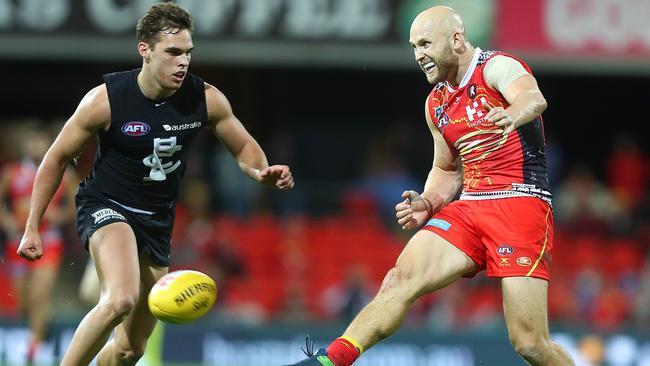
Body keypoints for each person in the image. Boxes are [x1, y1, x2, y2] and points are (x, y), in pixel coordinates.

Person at [288, 6, 574, 366]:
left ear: (456, 39)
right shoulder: (436, 102)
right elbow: (446, 168)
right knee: (400, 278)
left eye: (424, 43)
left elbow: (533, 99)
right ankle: (330, 361)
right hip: (470, 206)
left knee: (529, 344)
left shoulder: (497, 66)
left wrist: (511, 115)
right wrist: (428, 201)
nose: (418, 54)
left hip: (519, 205)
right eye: (413, 46)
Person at [16, 3, 294, 365]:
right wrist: (32, 226)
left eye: (188, 53)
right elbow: (54, 159)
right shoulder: (105, 100)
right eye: (173, 52)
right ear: (144, 50)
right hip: (107, 205)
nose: (184, 62)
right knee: (120, 299)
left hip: (157, 219)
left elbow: (242, 145)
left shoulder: (204, 98)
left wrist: (260, 172)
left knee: (131, 349)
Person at [0, 125, 77, 363]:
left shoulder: (64, 173)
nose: (36, 146)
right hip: (17, 242)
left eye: (40, 142)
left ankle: (34, 348)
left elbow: (77, 205)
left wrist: (59, 216)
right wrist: (7, 220)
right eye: (32, 142)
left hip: (48, 241)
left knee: (40, 296)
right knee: (22, 298)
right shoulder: (11, 173)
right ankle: (30, 338)